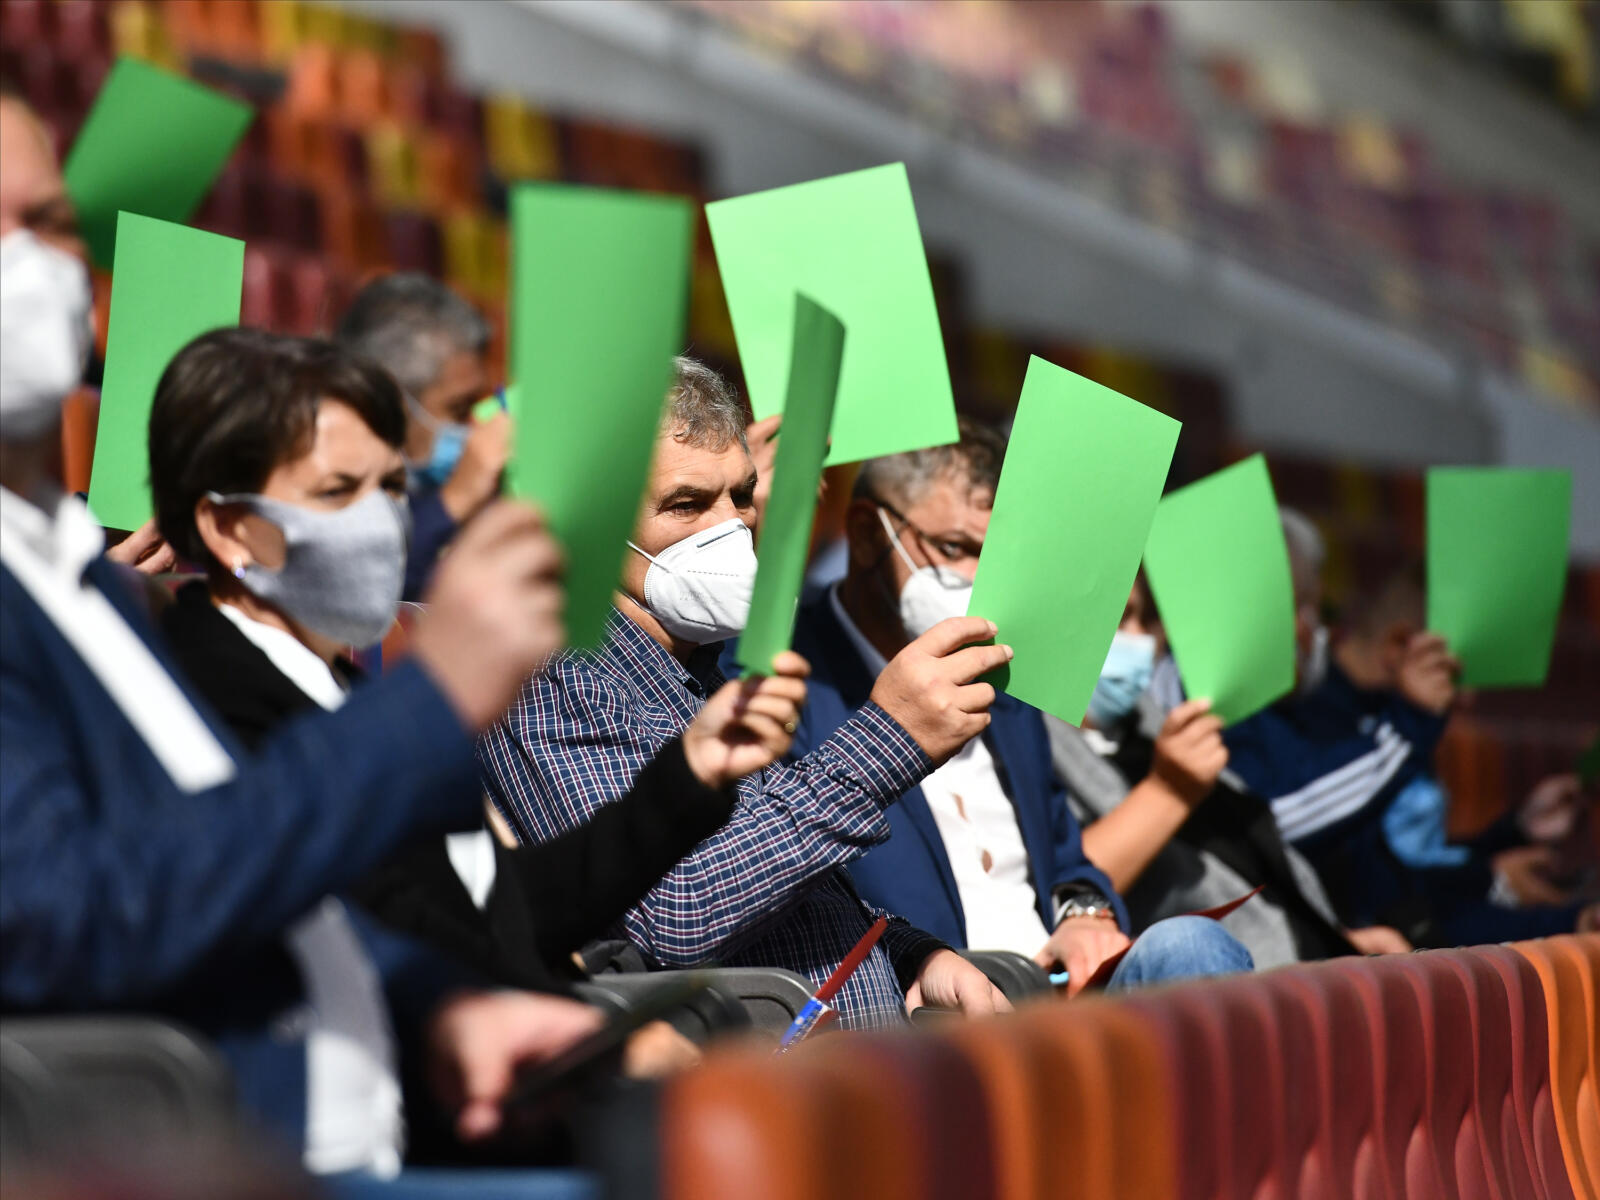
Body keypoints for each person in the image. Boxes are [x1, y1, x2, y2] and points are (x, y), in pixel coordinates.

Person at [0, 88, 600, 1197]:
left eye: (46, 222)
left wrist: (437, 1007)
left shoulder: (76, 578)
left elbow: (236, 865)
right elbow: (65, 917)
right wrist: (427, 708)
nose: (28, 265)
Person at [152, 327, 809, 1007]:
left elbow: (496, 913)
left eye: (392, 487)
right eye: (338, 492)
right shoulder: (191, 695)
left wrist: (690, 773)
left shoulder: (339, 687)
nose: (382, 522)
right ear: (230, 529)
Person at [480, 357, 1010, 1029]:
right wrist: (888, 740)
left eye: (741, 495)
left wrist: (911, 956)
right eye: (686, 505)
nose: (729, 526)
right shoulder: (552, 674)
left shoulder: (698, 669)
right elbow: (674, 911)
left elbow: (784, 891)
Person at [783, 422, 1254, 994]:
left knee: (1190, 946)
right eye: (955, 549)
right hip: (923, 1009)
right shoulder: (787, 676)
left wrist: (1084, 914)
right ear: (864, 533)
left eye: (999, 557)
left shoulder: (1006, 678)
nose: (979, 579)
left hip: (1061, 994)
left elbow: (1067, 859)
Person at [1225, 534, 1591, 942]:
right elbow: (1386, 901)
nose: (1468, 697)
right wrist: (1499, 887)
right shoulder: (1325, 726)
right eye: (1457, 674)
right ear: (1401, 645)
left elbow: (1404, 872)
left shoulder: (1394, 722)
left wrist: (1512, 834)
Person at [1048, 571, 1409, 967]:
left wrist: (1333, 939)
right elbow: (1057, 882)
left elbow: (1248, 864)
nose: (1142, 639)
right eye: (1119, 619)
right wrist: (1168, 792)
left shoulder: (1151, 725)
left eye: (1146, 620)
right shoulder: (1034, 749)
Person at [335, 273, 509, 599]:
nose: (474, 425)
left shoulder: (469, 493)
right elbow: (364, 591)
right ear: (389, 400)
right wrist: (456, 499)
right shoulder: (325, 487)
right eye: (459, 408)